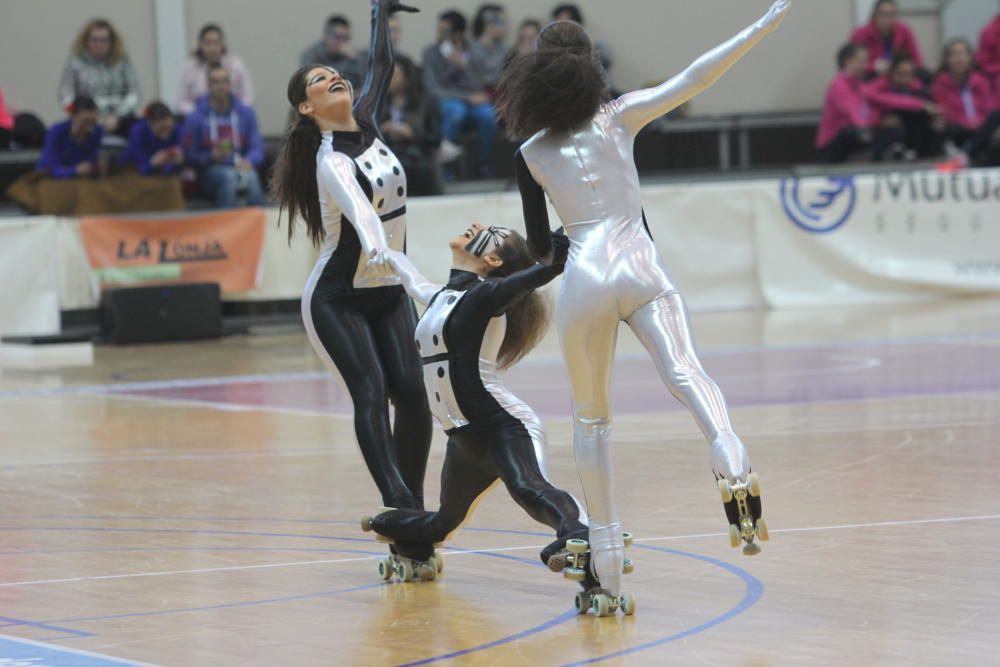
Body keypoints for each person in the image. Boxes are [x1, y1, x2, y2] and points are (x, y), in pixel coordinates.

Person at [497, 1, 788, 603]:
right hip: (641, 262)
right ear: (590, 66)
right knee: (687, 373)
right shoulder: (618, 117)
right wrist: (762, 26)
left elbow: (545, 255)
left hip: (583, 276)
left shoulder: (529, 154)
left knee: (592, 420)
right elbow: (695, 77)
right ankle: (730, 455)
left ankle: (604, 561)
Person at [368, 225, 601, 600]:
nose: (476, 227)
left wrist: (571, 223)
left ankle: (581, 536)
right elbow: (410, 278)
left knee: (529, 487)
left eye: (490, 233)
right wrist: (386, 251)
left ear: (492, 261)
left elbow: (545, 268)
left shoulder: (488, 296)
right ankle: (397, 527)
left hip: (503, 427)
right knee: (445, 521)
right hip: (463, 440)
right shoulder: (442, 297)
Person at [270, 0, 433, 527]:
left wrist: (379, 12)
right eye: (321, 79)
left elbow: (380, 66)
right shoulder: (330, 160)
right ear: (306, 107)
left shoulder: (366, 121)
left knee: (413, 393)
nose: (335, 77)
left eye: (336, 74)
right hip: (338, 298)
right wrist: (393, 259)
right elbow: (364, 218)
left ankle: (415, 501)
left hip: (386, 292)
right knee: (371, 391)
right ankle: (400, 504)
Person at [422, 9, 496, 178]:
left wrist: (464, 66)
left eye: (446, 31)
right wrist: (452, 68)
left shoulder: (475, 51)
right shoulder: (431, 54)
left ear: (458, 34)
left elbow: (480, 87)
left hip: (471, 103)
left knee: (488, 115)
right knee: (456, 111)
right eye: (439, 30)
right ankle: (446, 166)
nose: (441, 34)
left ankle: (483, 165)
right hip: (446, 102)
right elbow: (434, 89)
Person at [182, 64, 265, 207]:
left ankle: (262, 226)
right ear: (208, 85)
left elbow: (257, 147)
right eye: (216, 82)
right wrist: (210, 156)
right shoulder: (196, 117)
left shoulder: (246, 113)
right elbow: (188, 154)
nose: (221, 86)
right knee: (229, 177)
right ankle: (227, 226)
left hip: (240, 164)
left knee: (251, 176)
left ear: (231, 84)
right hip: (209, 170)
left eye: (225, 81)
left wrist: (249, 161)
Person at [816, 43, 904, 163]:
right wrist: (867, 128)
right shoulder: (839, 85)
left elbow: (886, 99)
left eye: (866, 61)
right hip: (831, 147)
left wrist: (921, 104)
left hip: (857, 135)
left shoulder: (859, 85)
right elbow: (853, 111)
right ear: (848, 61)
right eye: (861, 61)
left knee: (894, 130)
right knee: (855, 133)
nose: (865, 66)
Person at [58, 19, 141, 137]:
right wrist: (88, 116)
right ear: (86, 41)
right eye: (95, 40)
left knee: (140, 130)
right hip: (87, 118)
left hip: (120, 117)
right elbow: (65, 94)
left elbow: (134, 93)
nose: (99, 44)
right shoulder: (75, 62)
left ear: (111, 42)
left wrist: (117, 116)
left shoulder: (122, 59)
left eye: (104, 40)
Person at [381, 60, 443, 195]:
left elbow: (435, 139)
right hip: (388, 155)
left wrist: (411, 134)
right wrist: (383, 130)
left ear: (407, 77)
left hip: (418, 155)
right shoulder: (380, 105)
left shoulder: (425, 103)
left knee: (419, 167)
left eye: (395, 74)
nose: (389, 78)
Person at [866, 54, 941, 159]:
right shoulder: (875, 87)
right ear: (891, 73)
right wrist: (920, 104)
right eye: (901, 74)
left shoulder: (918, 90)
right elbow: (892, 100)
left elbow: (933, 107)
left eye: (909, 74)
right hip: (877, 132)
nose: (905, 78)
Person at [932, 39, 995, 155]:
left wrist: (978, 123)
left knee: (995, 117)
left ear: (970, 58)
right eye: (953, 55)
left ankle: (970, 151)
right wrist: (970, 124)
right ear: (947, 60)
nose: (958, 59)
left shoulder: (981, 81)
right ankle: (970, 151)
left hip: (981, 128)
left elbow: (988, 107)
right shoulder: (940, 83)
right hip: (958, 130)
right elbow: (946, 113)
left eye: (962, 54)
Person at [176, 24, 254, 116]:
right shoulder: (190, 67)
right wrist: (199, 112)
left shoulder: (236, 65)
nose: (212, 49)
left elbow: (249, 98)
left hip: (233, 115)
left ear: (222, 45)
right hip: (200, 117)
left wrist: (234, 109)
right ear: (200, 45)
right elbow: (180, 103)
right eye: (208, 44)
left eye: (216, 43)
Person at [849, 0, 924, 78]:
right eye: (883, 14)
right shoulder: (861, 33)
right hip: (871, 75)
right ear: (874, 15)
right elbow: (852, 64)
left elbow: (916, 61)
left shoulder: (904, 31)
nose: (887, 19)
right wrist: (874, 67)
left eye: (891, 15)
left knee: (923, 75)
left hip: (898, 75)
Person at [37, 95, 102, 178]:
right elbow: (51, 168)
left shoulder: (97, 131)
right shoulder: (56, 131)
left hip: (81, 179)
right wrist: (75, 170)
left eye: (93, 122)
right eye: (85, 122)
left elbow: (91, 160)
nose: (90, 128)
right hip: (51, 178)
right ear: (73, 116)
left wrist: (96, 166)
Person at [300, 15, 364, 88]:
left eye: (346, 38)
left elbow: (363, 85)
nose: (342, 43)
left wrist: (356, 60)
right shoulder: (310, 55)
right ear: (325, 36)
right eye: (338, 37)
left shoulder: (351, 55)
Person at [122, 102, 184, 175]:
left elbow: (179, 162)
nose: (165, 135)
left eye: (169, 128)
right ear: (150, 123)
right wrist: (152, 163)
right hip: (130, 172)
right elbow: (141, 167)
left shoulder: (178, 130)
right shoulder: (138, 131)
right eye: (161, 129)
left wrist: (177, 162)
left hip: (161, 176)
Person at [469, 4, 510, 95]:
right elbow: (477, 80)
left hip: (499, 95)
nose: (506, 27)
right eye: (502, 22)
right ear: (488, 24)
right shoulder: (471, 49)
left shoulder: (505, 49)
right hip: (476, 98)